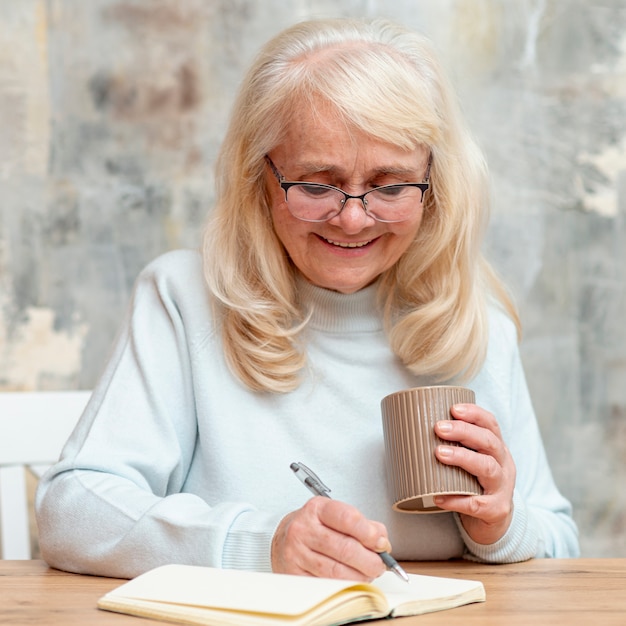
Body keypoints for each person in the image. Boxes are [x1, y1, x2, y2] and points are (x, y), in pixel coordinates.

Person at [35, 17, 579, 581]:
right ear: (259, 179)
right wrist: (258, 543)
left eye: (391, 186)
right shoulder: (184, 299)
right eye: (316, 184)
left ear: (434, 186)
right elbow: (72, 510)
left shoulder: (474, 323)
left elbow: (563, 542)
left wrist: (500, 524)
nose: (352, 217)